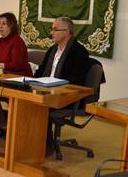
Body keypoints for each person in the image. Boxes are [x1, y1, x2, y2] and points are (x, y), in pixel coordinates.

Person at [35, 17, 90, 155]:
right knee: (27, 101)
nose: (51, 33)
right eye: (51, 29)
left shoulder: (79, 52)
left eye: (55, 29)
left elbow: (76, 80)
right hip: (46, 90)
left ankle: (44, 147)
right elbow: (41, 71)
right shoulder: (52, 50)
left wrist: (55, 87)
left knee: (41, 106)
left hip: (67, 97)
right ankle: (30, 140)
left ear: (66, 32)